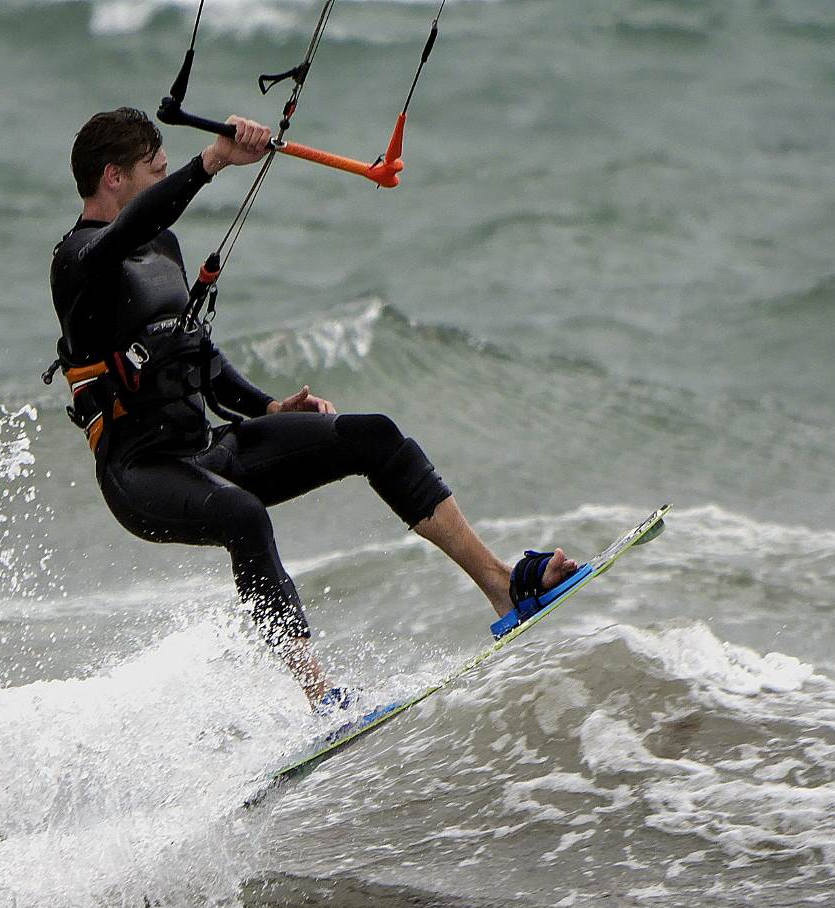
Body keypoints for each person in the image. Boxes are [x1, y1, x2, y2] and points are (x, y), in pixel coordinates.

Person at [49, 107, 578, 709]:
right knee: (244, 518)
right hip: (140, 473)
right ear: (114, 177)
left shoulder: (162, 247)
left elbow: (196, 356)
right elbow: (126, 229)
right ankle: (318, 697)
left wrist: (271, 405)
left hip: (206, 450)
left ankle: (502, 585)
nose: (166, 182)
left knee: (374, 436)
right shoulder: (76, 262)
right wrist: (212, 162)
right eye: (156, 171)